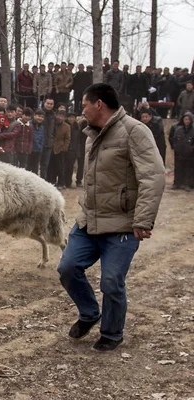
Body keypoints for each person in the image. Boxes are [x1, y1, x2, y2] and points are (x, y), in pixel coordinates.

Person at [57, 83, 165, 352]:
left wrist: (143, 219)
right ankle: (90, 314)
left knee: (111, 282)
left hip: (122, 224)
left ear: (99, 104)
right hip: (89, 220)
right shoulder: (91, 135)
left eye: (84, 104)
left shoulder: (135, 131)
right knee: (67, 268)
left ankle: (112, 332)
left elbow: (153, 176)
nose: (81, 110)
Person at [169, 112, 194, 190]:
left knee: (188, 170)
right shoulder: (178, 130)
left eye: (189, 119)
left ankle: (187, 184)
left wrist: (191, 149)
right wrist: (175, 147)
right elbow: (173, 139)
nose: (187, 121)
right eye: (185, 119)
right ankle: (177, 183)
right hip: (179, 153)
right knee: (178, 169)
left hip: (190, 155)